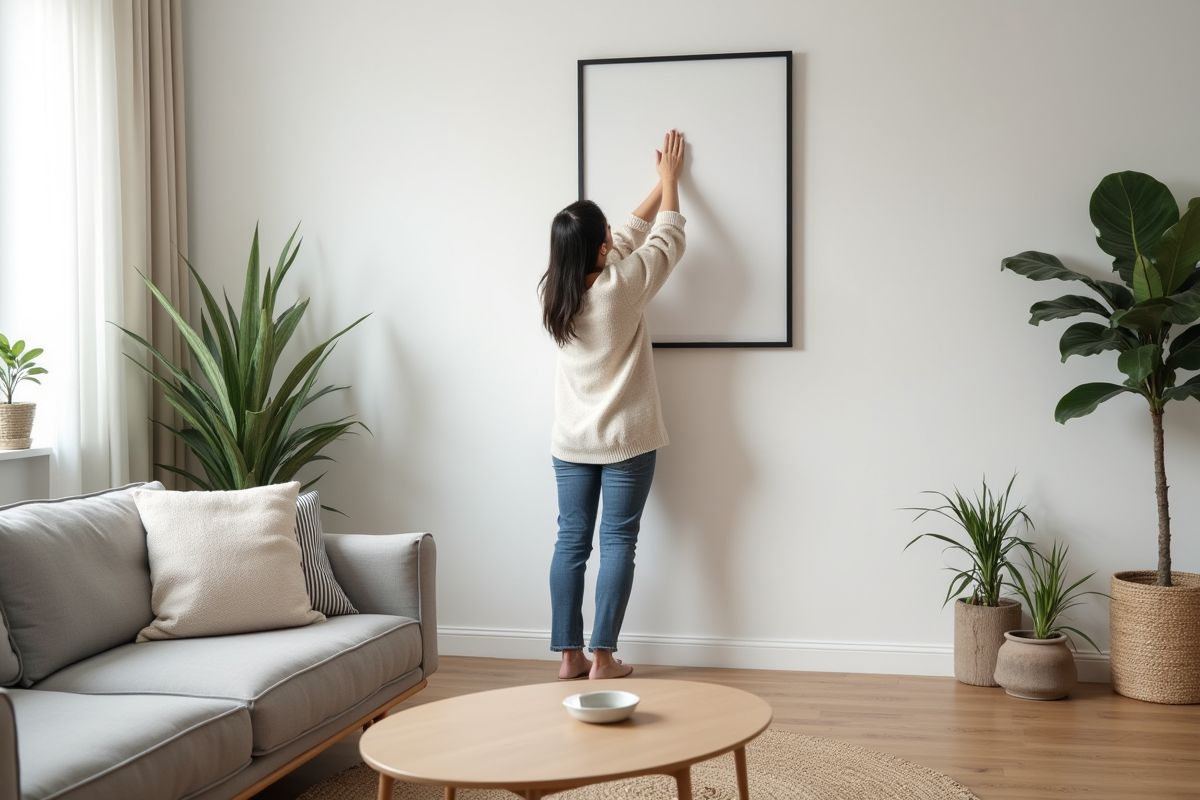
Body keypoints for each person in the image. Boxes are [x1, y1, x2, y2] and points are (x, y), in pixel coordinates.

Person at [539, 130, 687, 680]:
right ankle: (603, 658)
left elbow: (625, 237)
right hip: (626, 440)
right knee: (618, 542)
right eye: (605, 239)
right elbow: (667, 240)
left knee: (570, 541)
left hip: (572, 441)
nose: (613, 240)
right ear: (599, 250)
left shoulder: (554, 293)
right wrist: (672, 185)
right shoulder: (621, 288)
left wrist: (657, 186)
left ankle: (568, 656)